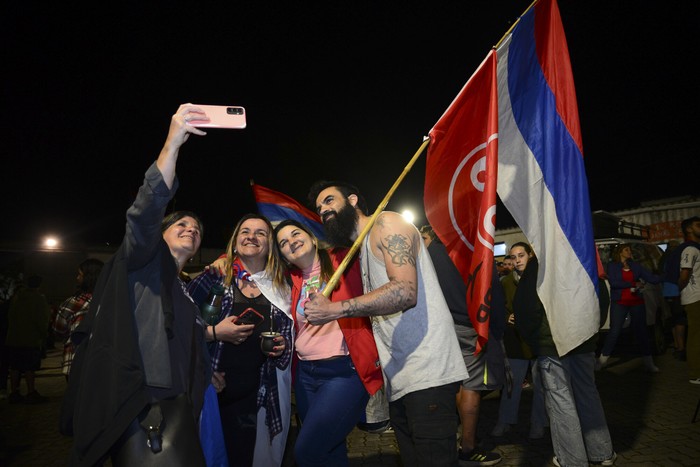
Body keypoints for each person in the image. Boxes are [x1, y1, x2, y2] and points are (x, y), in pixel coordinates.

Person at [60, 104, 214, 466]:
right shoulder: (143, 260)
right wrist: (172, 144)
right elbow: (145, 211)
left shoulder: (183, 289)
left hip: (180, 405)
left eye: (197, 229)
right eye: (181, 225)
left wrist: (207, 373)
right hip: (144, 405)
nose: (191, 229)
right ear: (159, 235)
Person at [305, 180, 468, 467]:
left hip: (427, 373)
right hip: (401, 380)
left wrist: (335, 310)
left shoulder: (387, 223)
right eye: (319, 208)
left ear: (353, 199)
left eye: (329, 201)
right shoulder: (363, 249)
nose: (324, 210)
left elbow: (405, 291)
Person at [273, 219, 384, 466]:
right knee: (330, 450)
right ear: (283, 255)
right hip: (306, 376)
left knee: (307, 451)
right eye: (283, 242)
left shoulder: (345, 261)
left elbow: (369, 244)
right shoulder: (288, 280)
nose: (291, 241)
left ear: (312, 238)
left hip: (344, 372)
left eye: (295, 234)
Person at [187, 213, 294, 467]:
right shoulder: (214, 278)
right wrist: (213, 337)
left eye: (261, 233)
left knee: (244, 457)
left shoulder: (281, 286)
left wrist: (282, 346)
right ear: (235, 242)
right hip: (212, 389)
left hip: (256, 392)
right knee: (206, 456)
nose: (252, 237)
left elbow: (291, 334)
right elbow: (179, 327)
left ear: (269, 245)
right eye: (245, 231)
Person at [512, 245, 616, 467]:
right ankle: (602, 452)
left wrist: (535, 339)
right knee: (587, 393)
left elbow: (524, 305)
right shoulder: (581, 253)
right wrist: (592, 329)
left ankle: (573, 459)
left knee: (561, 400)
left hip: (552, 343)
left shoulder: (540, 263)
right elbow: (601, 294)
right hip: (581, 337)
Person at [420, 224, 504, 466]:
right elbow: (492, 291)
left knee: (452, 383)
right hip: (469, 327)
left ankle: (447, 440)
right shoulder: (471, 249)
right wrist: (496, 330)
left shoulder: (429, 253)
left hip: (440, 326)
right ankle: (467, 448)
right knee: (471, 386)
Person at [491, 243, 547, 440]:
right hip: (515, 340)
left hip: (538, 341)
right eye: (513, 257)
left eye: (521, 255)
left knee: (541, 386)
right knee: (511, 385)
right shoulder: (506, 282)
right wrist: (507, 318)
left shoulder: (541, 280)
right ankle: (505, 421)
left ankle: (538, 423)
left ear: (530, 255)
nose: (517, 260)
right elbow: (497, 308)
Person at [597, 244, 662, 372]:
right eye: (627, 250)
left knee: (641, 331)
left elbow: (651, 278)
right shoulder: (613, 266)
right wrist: (632, 283)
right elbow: (614, 283)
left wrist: (668, 276)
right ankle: (602, 360)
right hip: (620, 302)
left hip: (636, 301)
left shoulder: (635, 266)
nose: (629, 252)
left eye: (629, 250)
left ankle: (648, 362)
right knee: (614, 331)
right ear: (620, 252)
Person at [52, 258, 104, 381]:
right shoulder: (111, 300)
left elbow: (58, 329)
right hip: (103, 361)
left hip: (75, 360)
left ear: (88, 278)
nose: (77, 278)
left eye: (80, 274)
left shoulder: (73, 303)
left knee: (75, 398)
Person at [5, 274, 50, 404]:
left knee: (15, 367)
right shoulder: (38, 299)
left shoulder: (17, 298)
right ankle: (31, 392)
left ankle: (14, 392)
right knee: (30, 367)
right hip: (31, 338)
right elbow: (41, 320)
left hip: (14, 337)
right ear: (39, 285)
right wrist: (44, 335)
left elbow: (10, 316)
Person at [677, 216, 700, 384]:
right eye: (698, 225)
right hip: (694, 297)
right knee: (695, 336)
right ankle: (695, 374)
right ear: (689, 229)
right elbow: (685, 274)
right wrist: (681, 288)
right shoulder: (690, 250)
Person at [660, 240, 686, 360]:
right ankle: (681, 347)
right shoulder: (678, 258)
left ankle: (676, 345)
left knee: (672, 319)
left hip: (666, 292)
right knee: (680, 320)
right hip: (677, 292)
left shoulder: (663, 258)